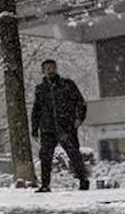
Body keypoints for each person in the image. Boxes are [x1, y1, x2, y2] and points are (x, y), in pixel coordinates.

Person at [30, 59, 89, 192]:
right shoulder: (40, 90)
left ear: (56, 69)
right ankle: (45, 185)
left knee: (73, 154)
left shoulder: (67, 85)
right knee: (45, 157)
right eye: (48, 69)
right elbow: (36, 110)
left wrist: (79, 118)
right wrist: (34, 128)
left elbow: (80, 102)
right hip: (47, 128)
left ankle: (83, 180)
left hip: (66, 126)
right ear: (43, 72)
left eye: (53, 68)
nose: (51, 71)